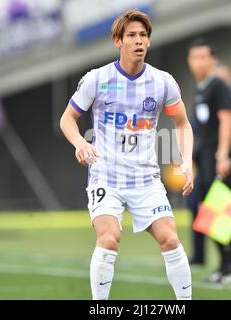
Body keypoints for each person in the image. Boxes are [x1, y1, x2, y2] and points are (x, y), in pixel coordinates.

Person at [60, 9, 194, 300]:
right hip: (106, 177)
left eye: (143, 35)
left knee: (170, 239)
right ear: (118, 41)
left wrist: (186, 161)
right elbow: (67, 119)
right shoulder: (97, 79)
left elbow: (182, 123)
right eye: (131, 35)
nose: (139, 41)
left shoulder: (162, 83)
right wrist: (80, 144)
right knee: (109, 238)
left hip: (146, 179)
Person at [186, 38, 231, 284]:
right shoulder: (202, 89)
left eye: (204, 57)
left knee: (224, 211)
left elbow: (227, 120)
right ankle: (225, 266)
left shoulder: (218, 85)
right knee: (208, 211)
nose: (199, 62)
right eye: (194, 57)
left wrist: (223, 154)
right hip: (206, 160)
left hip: (219, 159)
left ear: (212, 60)